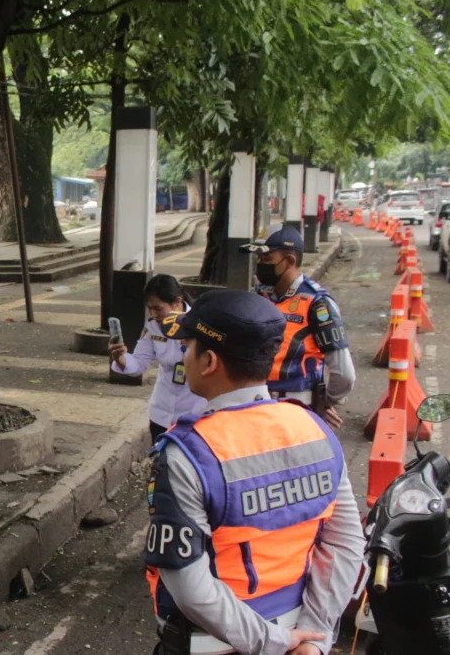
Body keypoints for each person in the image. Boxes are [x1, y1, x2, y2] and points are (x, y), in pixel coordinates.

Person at [145, 289, 365, 655]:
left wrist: (272, 643)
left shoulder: (185, 454)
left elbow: (188, 585)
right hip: (299, 636)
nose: (183, 355)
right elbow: (345, 543)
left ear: (209, 361)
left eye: (188, 346)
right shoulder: (315, 430)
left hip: (216, 644)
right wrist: (313, 634)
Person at [240, 225, 355, 429]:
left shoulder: (317, 304)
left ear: (290, 261)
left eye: (266, 259)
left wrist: (322, 402)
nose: (260, 265)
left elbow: (344, 375)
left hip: (296, 412)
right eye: (259, 259)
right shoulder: (260, 296)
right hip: (254, 407)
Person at [107, 274, 205, 441]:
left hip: (194, 413)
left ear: (177, 302)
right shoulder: (153, 325)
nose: (153, 314)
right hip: (162, 412)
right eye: (149, 308)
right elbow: (139, 363)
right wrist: (120, 358)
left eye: (158, 308)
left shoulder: (200, 323)